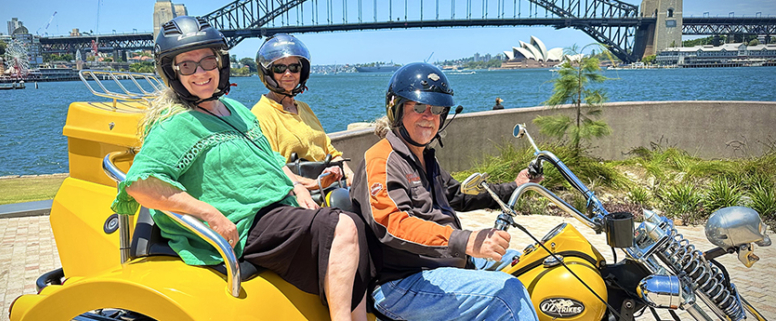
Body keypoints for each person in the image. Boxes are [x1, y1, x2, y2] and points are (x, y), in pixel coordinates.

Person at [111, 16, 371, 321]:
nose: (200, 72)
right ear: (173, 72)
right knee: (340, 227)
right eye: (187, 65)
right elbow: (141, 184)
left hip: (276, 209)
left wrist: (295, 186)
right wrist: (210, 215)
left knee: (357, 220)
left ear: (220, 64)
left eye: (208, 61)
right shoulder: (175, 124)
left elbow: (267, 156)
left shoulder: (235, 111)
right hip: (246, 222)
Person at [351, 63, 541, 321]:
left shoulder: (424, 157)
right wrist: (465, 240)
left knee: (531, 262)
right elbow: (392, 224)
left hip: (445, 265)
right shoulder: (382, 160)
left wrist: (514, 188)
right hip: (402, 282)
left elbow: (458, 195)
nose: (428, 116)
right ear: (395, 109)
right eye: (419, 107)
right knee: (504, 294)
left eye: (437, 109)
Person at [251, 34, 353, 189]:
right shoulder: (261, 113)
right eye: (279, 68)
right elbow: (271, 166)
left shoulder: (304, 108)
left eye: (294, 67)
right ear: (268, 73)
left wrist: (352, 178)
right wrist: (315, 184)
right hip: (298, 192)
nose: (288, 73)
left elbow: (330, 151)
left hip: (329, 186)